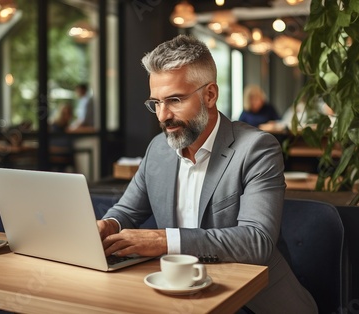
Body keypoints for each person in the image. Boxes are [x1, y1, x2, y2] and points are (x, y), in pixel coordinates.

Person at [97, 35, 317, 313]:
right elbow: (127, 211)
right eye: (156, 103)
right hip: (177, 294)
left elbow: (256, 241)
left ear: (210, 95)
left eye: (175, 100)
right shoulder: (158, 149)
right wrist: (109, 225)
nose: (163, 116)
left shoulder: (257, 148)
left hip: (253, 301)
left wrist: (164, 240)